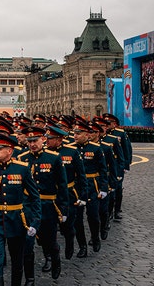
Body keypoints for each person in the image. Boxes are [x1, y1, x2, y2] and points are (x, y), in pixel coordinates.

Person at [0, 134, 41, 286]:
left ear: (10, 151)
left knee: (17, 259)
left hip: (16, 219)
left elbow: (34, 196)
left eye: (0, 149)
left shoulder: (22, 169)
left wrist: (35, 222)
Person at [17, 127, 68, 284]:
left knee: (49, 239)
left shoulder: (54, 158)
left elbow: (62, 184)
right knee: (27, 243)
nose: (32, 144)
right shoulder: (22, 158)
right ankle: (30, 278)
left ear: (43, 140)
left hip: (47, 204)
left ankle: (53, 256)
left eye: (35, 141)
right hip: (28, 206)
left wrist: (63, 209)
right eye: (30, 141)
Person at [44, 126, 87, 260]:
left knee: (71, 224)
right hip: (50, 195)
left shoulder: (72, 152)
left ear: (59, 140)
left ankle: (76, 244)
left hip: (69, 193)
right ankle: (49, 256)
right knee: (48, 227)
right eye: (46, 138)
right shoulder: (44, 153)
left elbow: (81, 176)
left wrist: (82, 196)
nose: (47, 141)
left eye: (50, 139)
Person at [71, 121, 107, 257]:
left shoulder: (96, 148)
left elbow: (103, 170)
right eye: (74, 133)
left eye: (78, 133)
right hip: (77, 188)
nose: (75, 136)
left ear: (87, 134)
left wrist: (104, 188)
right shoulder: (71, 149)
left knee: (93, 216)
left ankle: (95, 238)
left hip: (92, 186)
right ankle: (82, 246)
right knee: (77, 219)